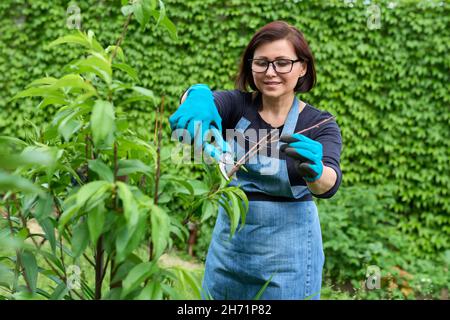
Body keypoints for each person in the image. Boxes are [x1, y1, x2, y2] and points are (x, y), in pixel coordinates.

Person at [169, 21, 342, 300]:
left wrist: (316, 172)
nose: (271, 72)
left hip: (290, 258)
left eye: (282, 63)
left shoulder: (319, 124)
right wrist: (194, 96)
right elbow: (205, 101)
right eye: (261, 63)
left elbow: (330, 183)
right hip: (230, 251)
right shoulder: (237, 106)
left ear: (303, 67)